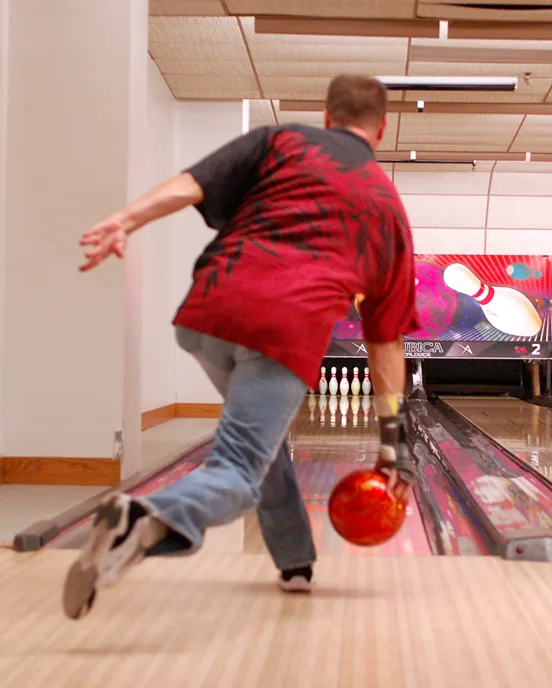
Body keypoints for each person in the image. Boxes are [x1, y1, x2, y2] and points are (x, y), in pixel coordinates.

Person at [63, 74, 419, 620]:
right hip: (284, 333)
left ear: (326, 116)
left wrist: (123, 220)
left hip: (206, 314)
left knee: (263, 442)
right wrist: (392, 441)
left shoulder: (282, 140)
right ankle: (143, 518)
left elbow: (190, 185)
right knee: (237, 470)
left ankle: (294, 561)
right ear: (384, 129)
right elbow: (385, 342)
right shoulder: (389, 208)